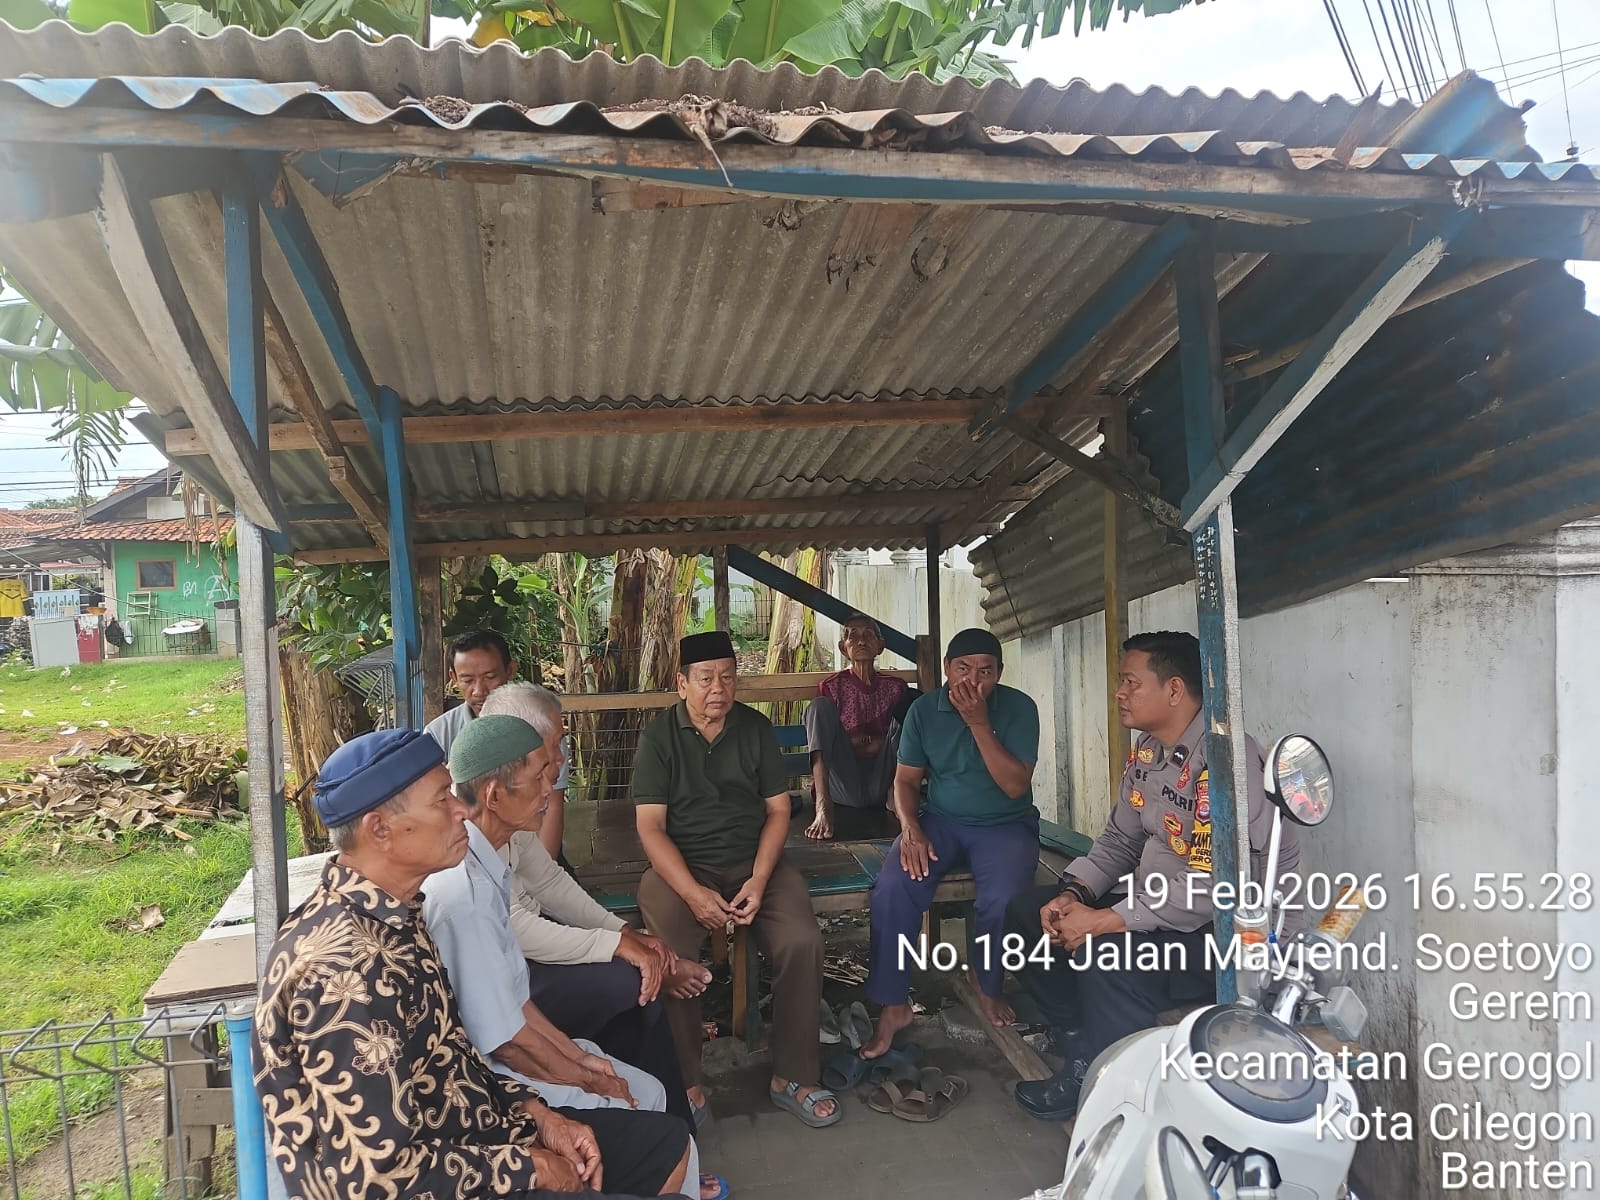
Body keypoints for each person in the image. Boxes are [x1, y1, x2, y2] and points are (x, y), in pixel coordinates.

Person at [251, 728, 692, 1200]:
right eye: (442, 800)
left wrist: (537, 1115)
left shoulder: (396, 917)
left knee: (664, 1148)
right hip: (438, 1179)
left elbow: (453, 1059)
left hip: (472, 1134)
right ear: (380, 830)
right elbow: (373, 1179)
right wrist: (527, 1167)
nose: (462, 809)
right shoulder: (343, 972)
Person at [427, 716, 725, 1200]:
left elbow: (516, 1004)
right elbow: (505, 1043)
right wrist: (582, 1075)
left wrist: (581, 1060)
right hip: (491, 1080)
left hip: (509, 1049)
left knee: (645, 1090)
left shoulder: (490, 861)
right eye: (539, 776)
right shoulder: (463, 893)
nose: (551, 787)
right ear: (494, 795)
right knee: (647, 1115)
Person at [1008, 630, 1301, 1122]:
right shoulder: (1149, 752)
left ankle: (1129, 1103)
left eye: (1130, 682)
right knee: (1027, 914)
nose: (1119, 692)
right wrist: (1074, 893)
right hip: (1161, 915)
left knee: (1105, 954)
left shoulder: (1226, 762)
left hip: (1230, 938)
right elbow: (1119, 841)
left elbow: (1216, 888)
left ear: (1174, 690)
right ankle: (1082, 1049)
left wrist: (1106, 920)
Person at [450, 694, 700, 1131]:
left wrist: (625, 934)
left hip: (519, 976)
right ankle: (658, 1125)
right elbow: (516, 938)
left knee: (636, 997)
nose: (560, 760)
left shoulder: (509, 819)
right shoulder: (463, 868)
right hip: (510, 993)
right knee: (632, 983)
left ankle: (664, 1123)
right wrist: (617, 945)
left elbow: (549, 881)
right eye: (554, 745)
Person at [633, 631, 839, 1129]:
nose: (718, 688)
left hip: (754, 861)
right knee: (669, 952)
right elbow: (650, 827)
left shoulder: (754, 728)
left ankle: (793, 1076)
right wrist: (691, 893)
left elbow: (778, 811)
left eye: (727, 677)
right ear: (681, 683)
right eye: (705, 678)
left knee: (801, 941)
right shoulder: (660, 737)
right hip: (683, 866)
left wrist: (760, 879)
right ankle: (685, 1083)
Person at [861, 627, 1040, 1058]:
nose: (973, 681)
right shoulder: (924, 711)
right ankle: (893, 1003)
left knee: (1005, 897)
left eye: (985, 672)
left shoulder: (1019, 708)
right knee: (894, 887)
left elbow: (1016, 786)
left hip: (1005, 824)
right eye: (963, 669)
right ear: (945, 668)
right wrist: (911, 828)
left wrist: (978, 723)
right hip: (941, 821)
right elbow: (905, 781)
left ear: (999, 673)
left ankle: (986, 980)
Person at [803, 612, 913, 841]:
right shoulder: (832, 687)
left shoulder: (896, 687)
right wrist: (872, 742)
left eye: (868, 635)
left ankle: (896, 795)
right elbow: (831, 740)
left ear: (880, 646)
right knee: (819, 707)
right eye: (853, 636)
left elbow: (899, 739)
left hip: (885, 780)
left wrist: (861, 741)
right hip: (844, 784)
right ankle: (823, 805)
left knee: (912, 703)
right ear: (843, 648)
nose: (861, 641)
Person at [483, 681, 574, 864]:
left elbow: (546, 873)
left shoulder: (521, 818)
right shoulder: (466, 849)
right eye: (555, 745)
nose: (561, 758)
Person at [425, 629, 520, 757]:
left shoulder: (537, 722)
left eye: (490, 677)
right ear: (454, 677)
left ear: (510, 670)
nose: (479, 691)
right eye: (468, 680)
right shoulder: (438, 734)